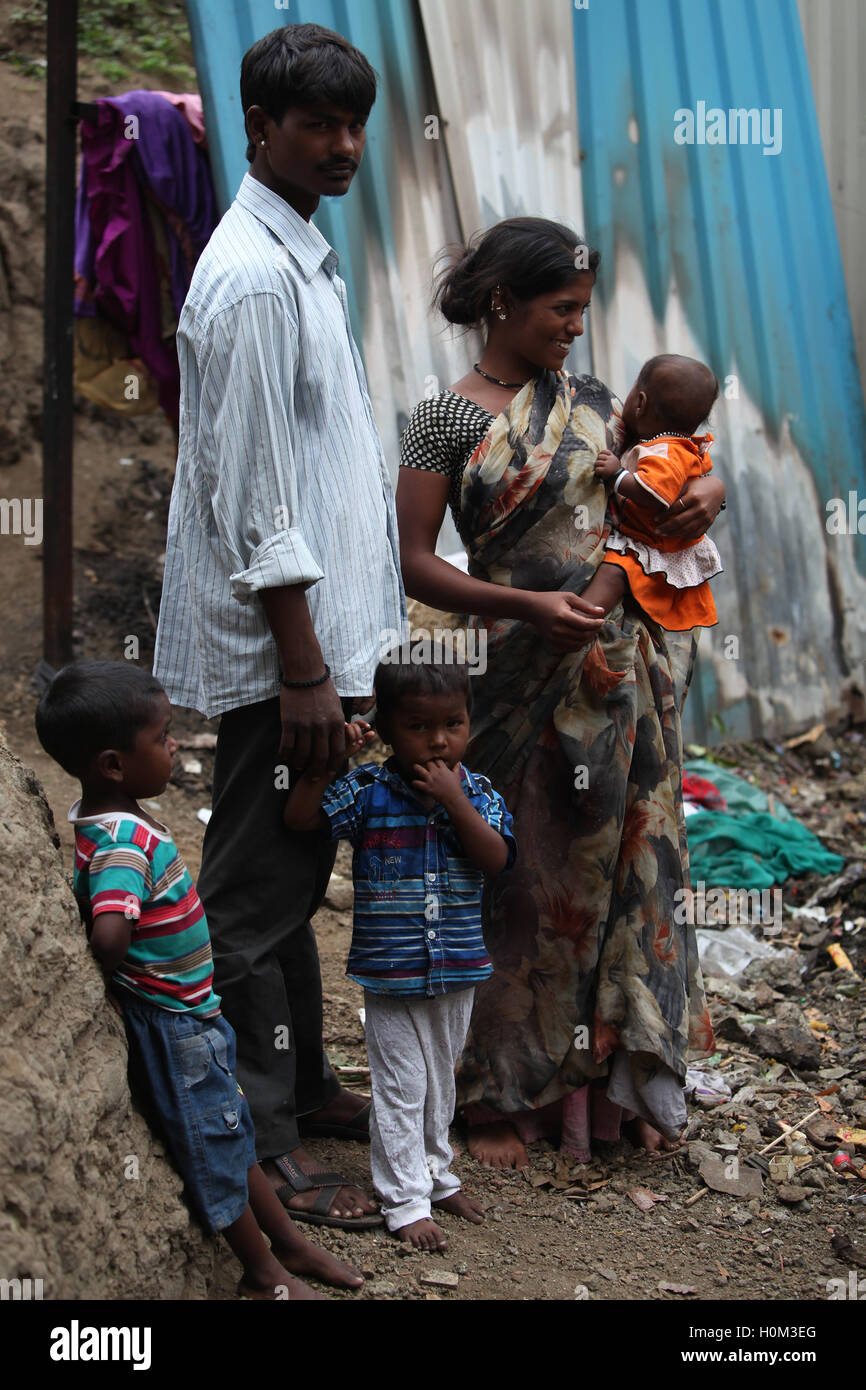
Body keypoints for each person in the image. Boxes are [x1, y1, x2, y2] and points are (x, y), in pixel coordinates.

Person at [396, 217, 719, 1170]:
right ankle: (497, 1091)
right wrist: (526, 607)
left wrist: (716, 492)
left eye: (583, 312)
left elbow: (677, 462)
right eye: (561, 310)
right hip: (510, 674)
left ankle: (605, 1098)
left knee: (616, 876)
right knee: (523, 880)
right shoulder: (444, 420)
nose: (576, 329)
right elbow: (415, 563)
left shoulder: (594, 402)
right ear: (503, 301)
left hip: (618, 678)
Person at [153, 24, 405, 1228]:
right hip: (280, 656)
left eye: (355, 124)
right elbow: (255, 497)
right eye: (319, 125)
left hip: (315, 644)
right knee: (252, 897)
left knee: (287, 877)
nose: (344, 145)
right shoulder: (253, 275)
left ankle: (299, 1086)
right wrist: (307, 668)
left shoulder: (294, 253)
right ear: (260, 127)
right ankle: (257, 1146)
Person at [34, 661, 365, 1299]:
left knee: (234, 1131)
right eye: (162, 738)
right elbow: (110, 929)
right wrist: (105, 971)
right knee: (216, 1150)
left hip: (196, 1015)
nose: (175, 745)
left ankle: (291, 1247)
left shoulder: (108, 819)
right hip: (175, 1028)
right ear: (112, 764)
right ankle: (263, 1272)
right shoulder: (122, 845)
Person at [284, 648, 517, 1247]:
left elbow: (496, 859)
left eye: (453, 725)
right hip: (391, 973)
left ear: (470, 722)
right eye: (418, 727)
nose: (438, 741)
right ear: (385, 728)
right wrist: (328, 763)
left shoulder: (479, 792)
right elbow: (300, 818)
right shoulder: (367, 790)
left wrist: (455, 802)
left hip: (458, 966)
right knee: (400, 1084)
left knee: (441, 1079)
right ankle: (404, 1199)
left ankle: (438, 1174)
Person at [585, 353, 723, 631]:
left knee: (613, 573)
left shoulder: (667, 452)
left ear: (641, 403)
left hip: (648, 545)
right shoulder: (663, 445)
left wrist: (617, 475)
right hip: (646, 537)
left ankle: (580, 620)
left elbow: (654, 492)